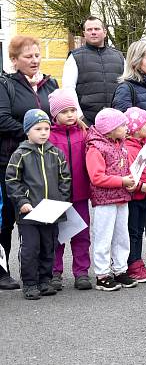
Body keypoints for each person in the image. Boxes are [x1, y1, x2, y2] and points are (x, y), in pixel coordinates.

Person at [0, 35, 59, 290]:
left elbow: (59, 115)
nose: (35, 60)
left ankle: (43, 275)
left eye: (37, 55)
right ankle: (2, 271)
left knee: (43, 220)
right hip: (11, 160)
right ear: (14, 60)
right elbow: (1, 118)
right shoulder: (5, 85)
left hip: (44, 164)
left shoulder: (50, 83)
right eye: (28, 56)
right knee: (6, 220)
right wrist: (31, 131)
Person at [112, 40, 146, 268]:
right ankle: (131, 258)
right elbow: (121, 123)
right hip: (137, 156)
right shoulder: (126, 88)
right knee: (138, 213)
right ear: (137, 61)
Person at [5, 109, 71, 299]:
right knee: (30, 249)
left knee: (48, 247)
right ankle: (30, 283)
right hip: (29, 213)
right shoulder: (20, 154)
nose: (43, 132)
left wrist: (62, 200)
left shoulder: (57, 153)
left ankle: (45, 281)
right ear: (27, 131)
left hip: (51, 212)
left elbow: (65, 178)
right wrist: (22, 202)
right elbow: (12, 181)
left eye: (46, 128)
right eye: (38, 129)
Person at [86, 108, 138, 291]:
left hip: (122, 197)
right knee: (103, 236)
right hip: (105, 201)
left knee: (121, 236)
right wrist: (121, 181)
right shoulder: (96, 148)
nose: (127, 128)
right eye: (123, 125)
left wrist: (130, 182)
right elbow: (96, 177)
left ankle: (120, 269)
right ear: (111, 128)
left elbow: (125, 169)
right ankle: (102, 274)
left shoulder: (121, 145)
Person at [48, 89, 93, 291]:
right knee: (57, 235)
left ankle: (81, 272)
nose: (70, 115)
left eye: (73, 110)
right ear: (54, 114)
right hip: (57, 196)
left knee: (82, 234)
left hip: (81, 194)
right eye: (64, 111)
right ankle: (54, 272)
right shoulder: (48, 137)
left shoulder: (84, 133)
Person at [61, 16, 125, 124]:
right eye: (89, 30)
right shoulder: (74, 57)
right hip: (87, 122)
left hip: (117, 123)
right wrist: (80, 117)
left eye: (97, 29)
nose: (93, 32)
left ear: (104, 32)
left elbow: (127, 87)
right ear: (84, 34)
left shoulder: (119, 57)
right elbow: (68, 89)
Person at [123, 107, 146, 283]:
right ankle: (132, 265)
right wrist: (140, 186)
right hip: (133, 197)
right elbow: (128, 173)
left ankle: (137, 263)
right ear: (136, 128)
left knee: (139, 230)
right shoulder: (127, 148)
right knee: (132, 232)